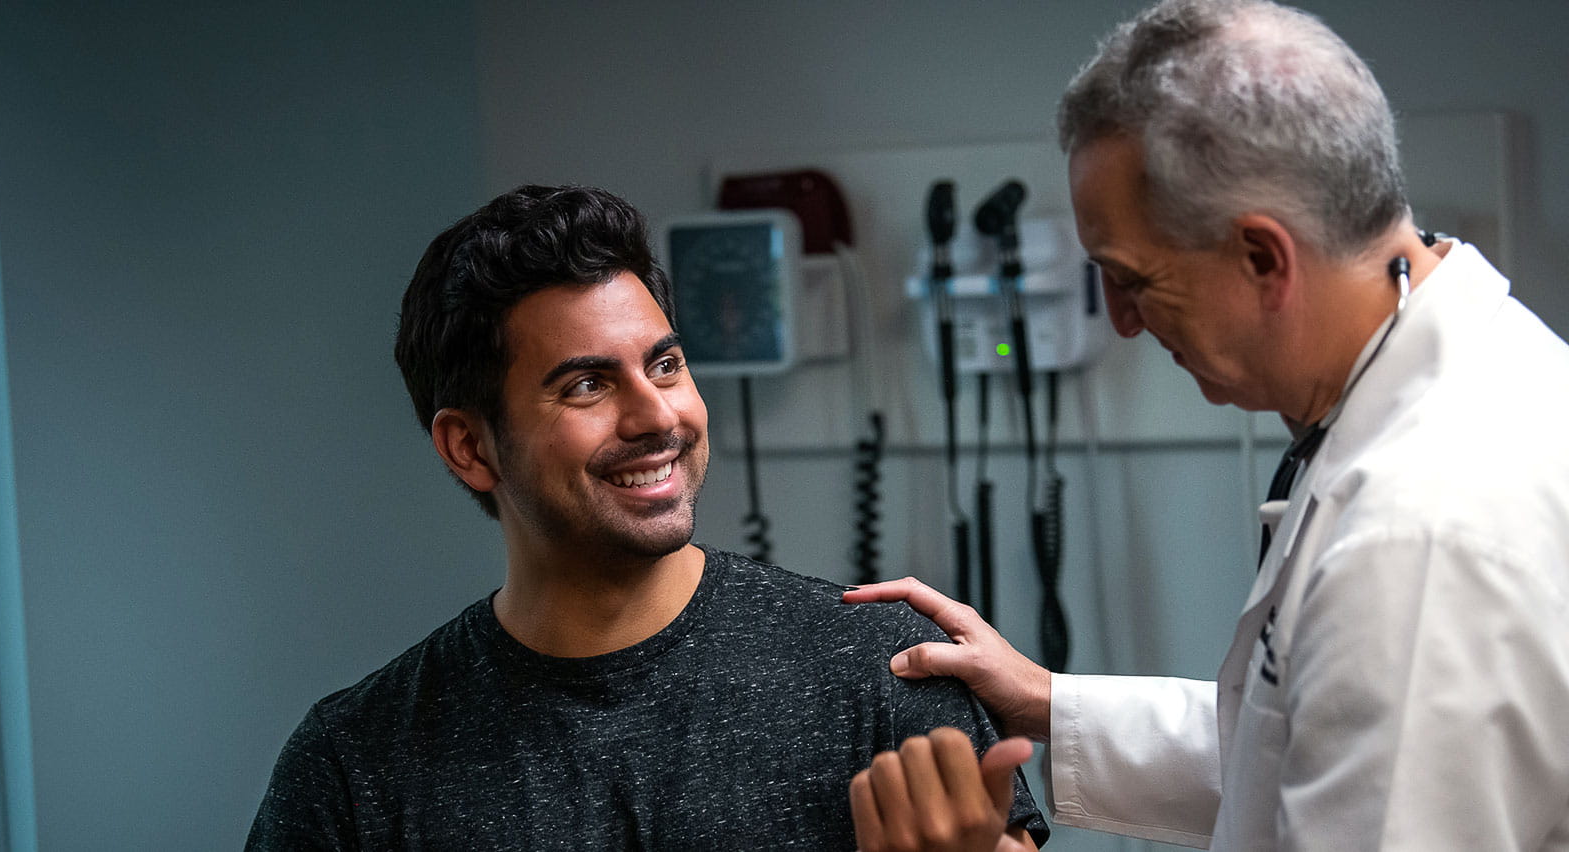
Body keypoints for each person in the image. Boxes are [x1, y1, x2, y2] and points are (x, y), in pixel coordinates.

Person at [846, 0, 1569, 849]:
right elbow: (1308, 749)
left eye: (1133, 280)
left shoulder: (1418, 535)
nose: (1123, 322)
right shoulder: (1483, 373)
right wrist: (1046, 700)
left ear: (1263, 257)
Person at [245, 184, 1048, 850]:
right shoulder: (355, 763)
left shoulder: (885, 668)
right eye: (587, 385)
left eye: (665, 365)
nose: (657, 416)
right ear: (470, 447)